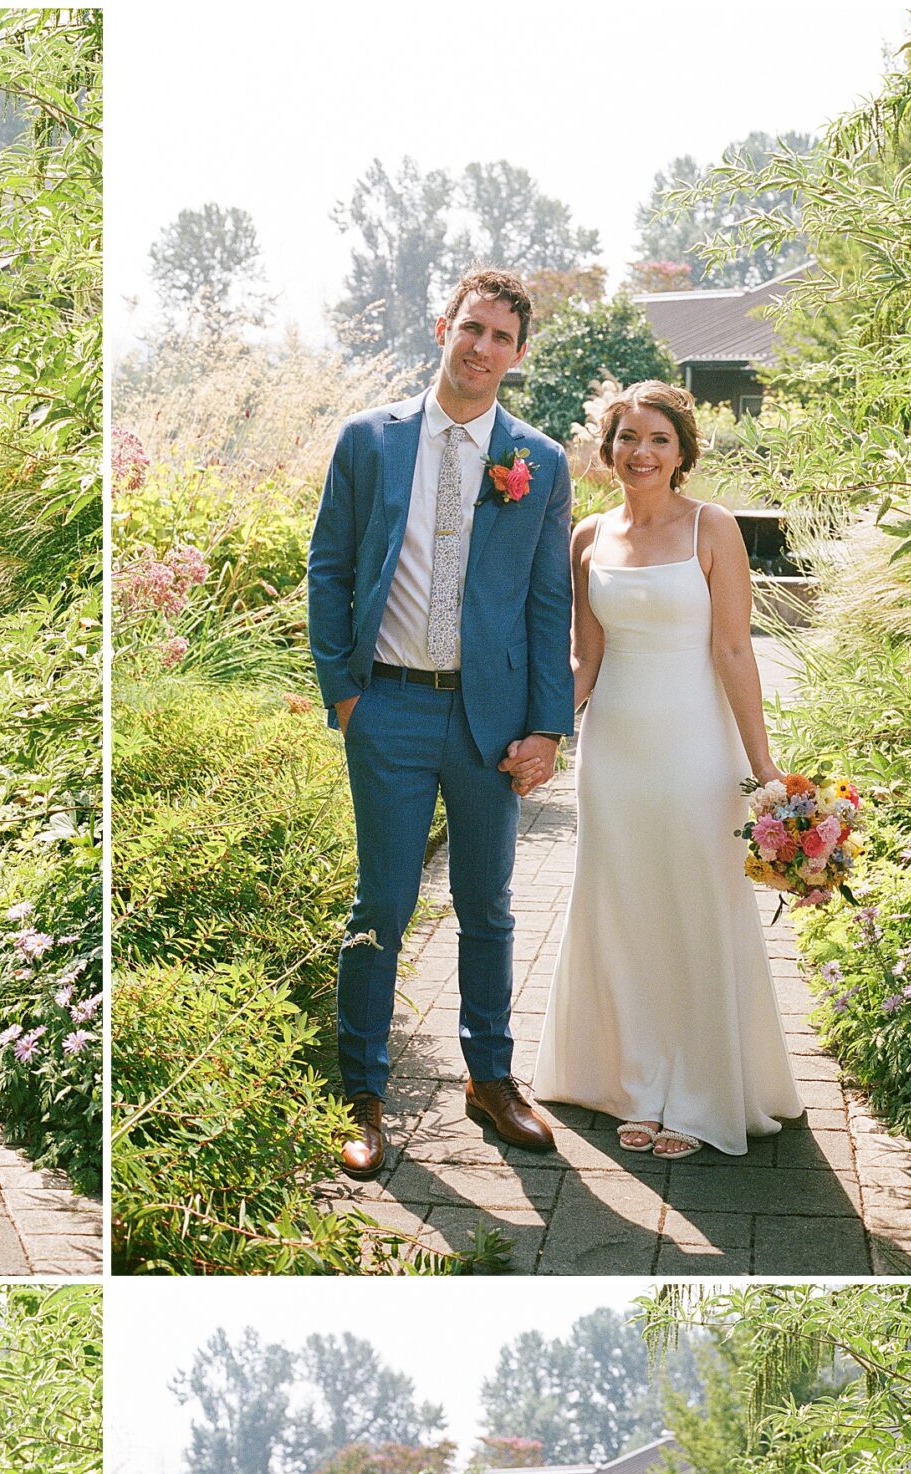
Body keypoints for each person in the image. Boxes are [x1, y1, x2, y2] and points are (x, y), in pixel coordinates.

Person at [307, 268, 575, 1179]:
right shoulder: (368, 441)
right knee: (380, 903)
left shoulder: (537, 461)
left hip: (489, 721)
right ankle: (363, 1094)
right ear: (442, 328)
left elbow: (547, 604)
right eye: (472, 329)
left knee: (489, 906)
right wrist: (345, 691)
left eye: (502, 337)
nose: (483, 349)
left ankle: (491, 1079)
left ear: (519, 353)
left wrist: (546, 727)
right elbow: (331, 569)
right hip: (386, 707)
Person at [532, 382, 804, 1157]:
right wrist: (549, 734)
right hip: (614, 747)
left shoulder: (711, 527)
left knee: (693, 901)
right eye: (627, 438)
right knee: (623, 905)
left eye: (658, 439)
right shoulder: (587, 536)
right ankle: (633, 1079)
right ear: (607, 448)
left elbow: (732, 649)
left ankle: (698, 1091)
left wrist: (765, 773)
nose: (640, 453)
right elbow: (586, 655)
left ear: (682, 451)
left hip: (695, 746)